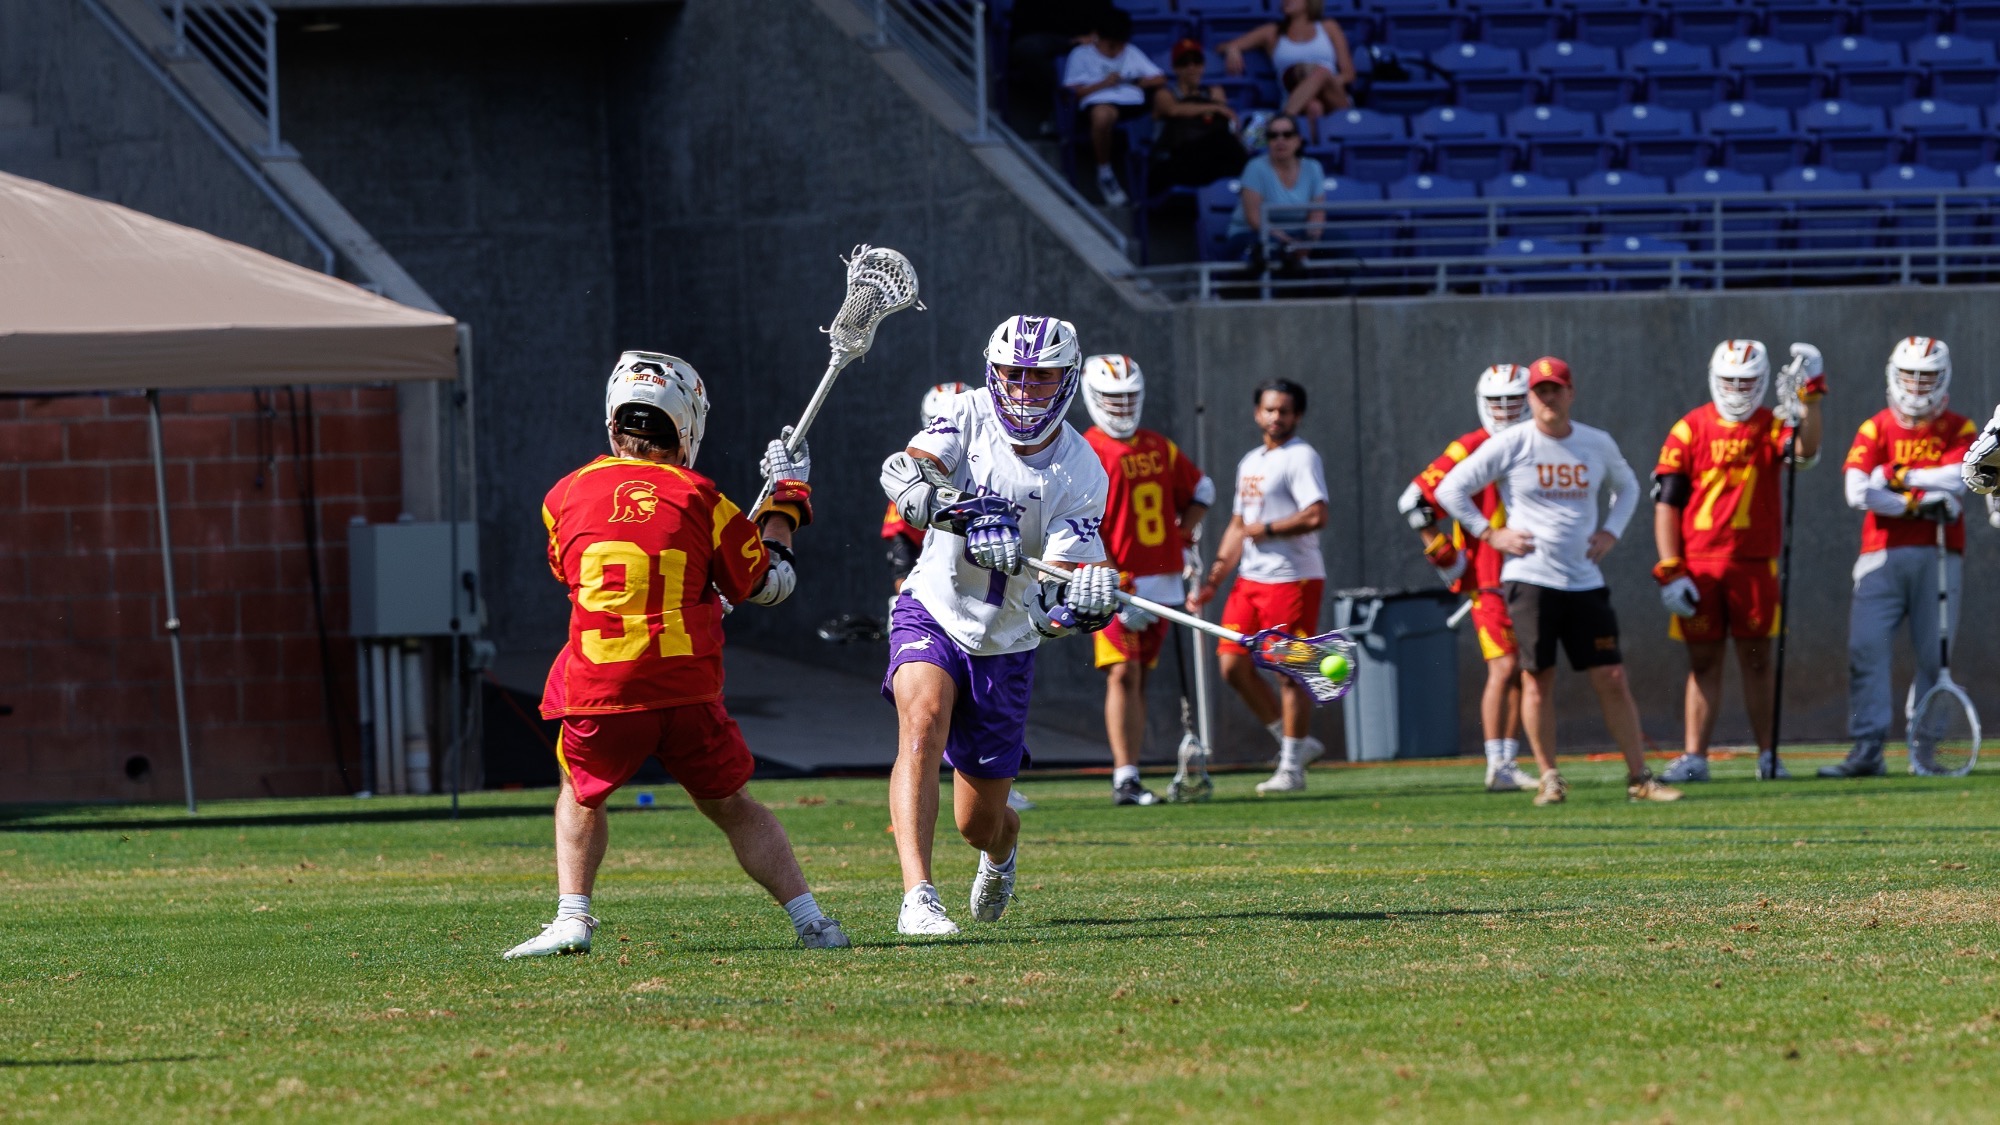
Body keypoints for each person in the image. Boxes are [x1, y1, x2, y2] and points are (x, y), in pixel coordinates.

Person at [505, 351, 849, 959]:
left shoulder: (563, 495)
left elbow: (575, 572)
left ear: (614, 421)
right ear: (687, 426)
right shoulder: (704, 499)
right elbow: (772, 583)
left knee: (580, 794)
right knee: (733, 806)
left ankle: (573, 917)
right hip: (685, 689)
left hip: (603, 688)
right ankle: (813, 923)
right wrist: (786, 504)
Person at [878, 315, 1115, 935]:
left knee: (978, 823)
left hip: (1006, 638)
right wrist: (963, 511)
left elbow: (1050, 602)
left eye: (1041, 377)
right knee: (921, 722)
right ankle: (918, 897)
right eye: (1013, 374)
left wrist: (1078, 609)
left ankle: (1003, 848)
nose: (1024, 389)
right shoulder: (966, 413)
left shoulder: (1083, 470)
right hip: (934, 604)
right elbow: (904, 473)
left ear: (1067, 379)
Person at [1436, 356, 1682, 806]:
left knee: (1612, 675)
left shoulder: (1595, 442)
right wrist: (1491, 534)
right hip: (1530, 578)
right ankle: (1550, 777)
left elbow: (1628, 487)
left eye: (1555, 389)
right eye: (1540, 391)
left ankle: (1639, 777)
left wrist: (1611, 532)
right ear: (1530, 398)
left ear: (1571, 393)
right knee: (1537, 679)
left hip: (1584, 579)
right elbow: (1450, 488)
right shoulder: (1513, 442)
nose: (1548, 398)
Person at [1652, 341, 1827, 785]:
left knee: (1758, 661)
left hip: (1754, 564)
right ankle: (1695, 756)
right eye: (1730, 380)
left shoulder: (1772, 423)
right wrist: (1670, 567)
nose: (1737, 389)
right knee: (1703, 662)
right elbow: (1667, 503)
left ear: (1763, 381)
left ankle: (1768, 756)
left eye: (1747, 381)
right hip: (1700, 564)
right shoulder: (1690, 428)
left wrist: (1810, 396)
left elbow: (1805, 451)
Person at [1823, 336, 1975, 778]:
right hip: (1881, 553)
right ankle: (1868, 747)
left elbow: (1961, 477)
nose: (1917, 384)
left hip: (1940, 554)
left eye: (1927, 376)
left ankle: (1924, 749)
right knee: (1865, 648)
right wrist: (1916, 502)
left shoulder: (1960, 428)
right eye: (1910, 374)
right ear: (1894, 374)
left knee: (1934, 657)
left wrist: (1896, 475)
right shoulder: (1876, 428)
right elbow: (1857, 490)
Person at [1080, 354, 1214, 806]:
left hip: (1162, 582)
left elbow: (1202, 491)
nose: (1121, 406)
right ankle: (1125, 776)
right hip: (1115, 583)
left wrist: (1183, 538)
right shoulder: (1084, 449)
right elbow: (1080, 523)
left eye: (1128, 397)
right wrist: (1112, 586)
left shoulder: (1158, 445)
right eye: (1112, 398)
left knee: (1139, 678)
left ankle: (1131, 772)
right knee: (1122, 672)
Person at [1398, 363, 1535, 792]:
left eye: (1514, 400)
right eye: (1497, 401)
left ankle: (1508, 761)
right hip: (1489, 575)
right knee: (1505, 666)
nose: (1505, 409)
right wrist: (1445, 557)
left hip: (1538, 572)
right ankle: (1496, 762)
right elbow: (1415, 501)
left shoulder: (1544, 440)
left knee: (1527, 669)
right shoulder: (1470, 446)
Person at [1191, 379, 1329, 794]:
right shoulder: (1250, 461)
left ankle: (1292, 768)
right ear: (1257, 413)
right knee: (1232, 665)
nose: (1276, 417)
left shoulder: (1302, 456)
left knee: (1291, 673)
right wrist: (1214, 580)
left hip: (1293, 579)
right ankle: (1293, 744)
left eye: (1284, 411)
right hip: (1250, 580)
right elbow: (1238, 526)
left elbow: (1316, 515)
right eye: (1269, 409)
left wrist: (1266, 529)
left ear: (1297, 415)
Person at [1062, 9, 1166, 207]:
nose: (1116, 50)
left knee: (1163, 99)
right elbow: (1072, 93)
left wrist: (1140, 81)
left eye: (1120, 45)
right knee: (1102, 116)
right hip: (1098, 101)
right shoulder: (1081, 54)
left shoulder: (1131, 51)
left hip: (1132, 104)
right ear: (1098, 38)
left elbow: (1160, 77)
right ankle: (1105, 173)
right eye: (1111, 45)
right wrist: (1103, 84)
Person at [1218, 0, 1357, 129]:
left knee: (1321, 71)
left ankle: (1282, 120)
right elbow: (1220, 47)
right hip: (1293, 96)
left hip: (1333, 95)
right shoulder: (1272, 32)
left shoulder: (1329, 27)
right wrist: (1232, 49)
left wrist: (1320, 82)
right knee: (1314, 106)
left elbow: (1349, 74)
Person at [1224, 113, 1325, 272]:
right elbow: (1254, 219)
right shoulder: (1254, 167)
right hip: (1253, 234)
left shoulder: (1313, 168)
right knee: (1271, 249)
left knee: (1338, 241)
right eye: (1273, 135)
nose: (1280, 140)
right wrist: (1287, 242)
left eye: (1287, 134)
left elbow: (1317, 214)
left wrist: (1309, 241)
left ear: (1298, 140)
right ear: (1268, 141)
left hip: (1297, 234)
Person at [1150, 38, 1247, 191]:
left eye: (1197, 62)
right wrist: (1216, 108)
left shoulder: (1213, 92)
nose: (1191, 67)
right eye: (1184, 63)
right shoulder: (1164, 94)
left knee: (1237, 142)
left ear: (1203, 66)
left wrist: (1218, 108)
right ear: (1175, 68)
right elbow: (1173, 110)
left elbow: (1228, 118)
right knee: (1223, 141)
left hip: (1210, 161)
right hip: (1176, 159)